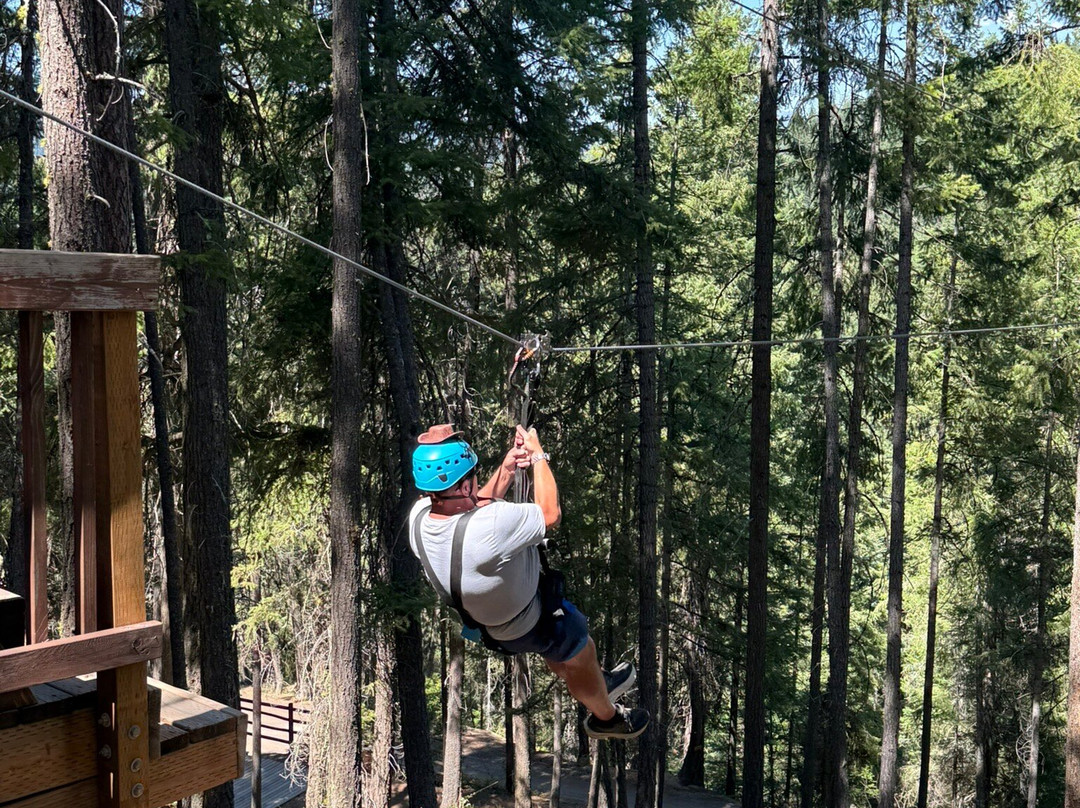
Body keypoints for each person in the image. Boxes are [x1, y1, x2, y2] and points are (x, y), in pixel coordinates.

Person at [408, 423, 650, 740]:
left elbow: (472, 510)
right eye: (473, 477)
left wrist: (507, 470)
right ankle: (607, 717)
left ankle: (595, 680)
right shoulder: (492, 526)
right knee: (580, 648)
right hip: (533, 621)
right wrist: (538, 456)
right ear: (465, 486)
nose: (477, 483)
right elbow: (550, 514)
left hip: (494, 628)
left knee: (568, 656)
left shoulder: (420, 517)